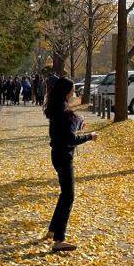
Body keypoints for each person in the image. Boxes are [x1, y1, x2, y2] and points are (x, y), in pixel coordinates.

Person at [44, 76, 97, 252]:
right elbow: (71, 138)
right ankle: (59, 240)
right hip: (64, 156)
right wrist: (90, 136)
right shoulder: (64, 111)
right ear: (67, 92)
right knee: (69, 196)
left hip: (57, 154)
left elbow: (65, 132)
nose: (74, 93)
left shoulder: (56, 107)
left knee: (65, 194)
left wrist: (76, 126)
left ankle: (53, 230)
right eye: (73, 90)